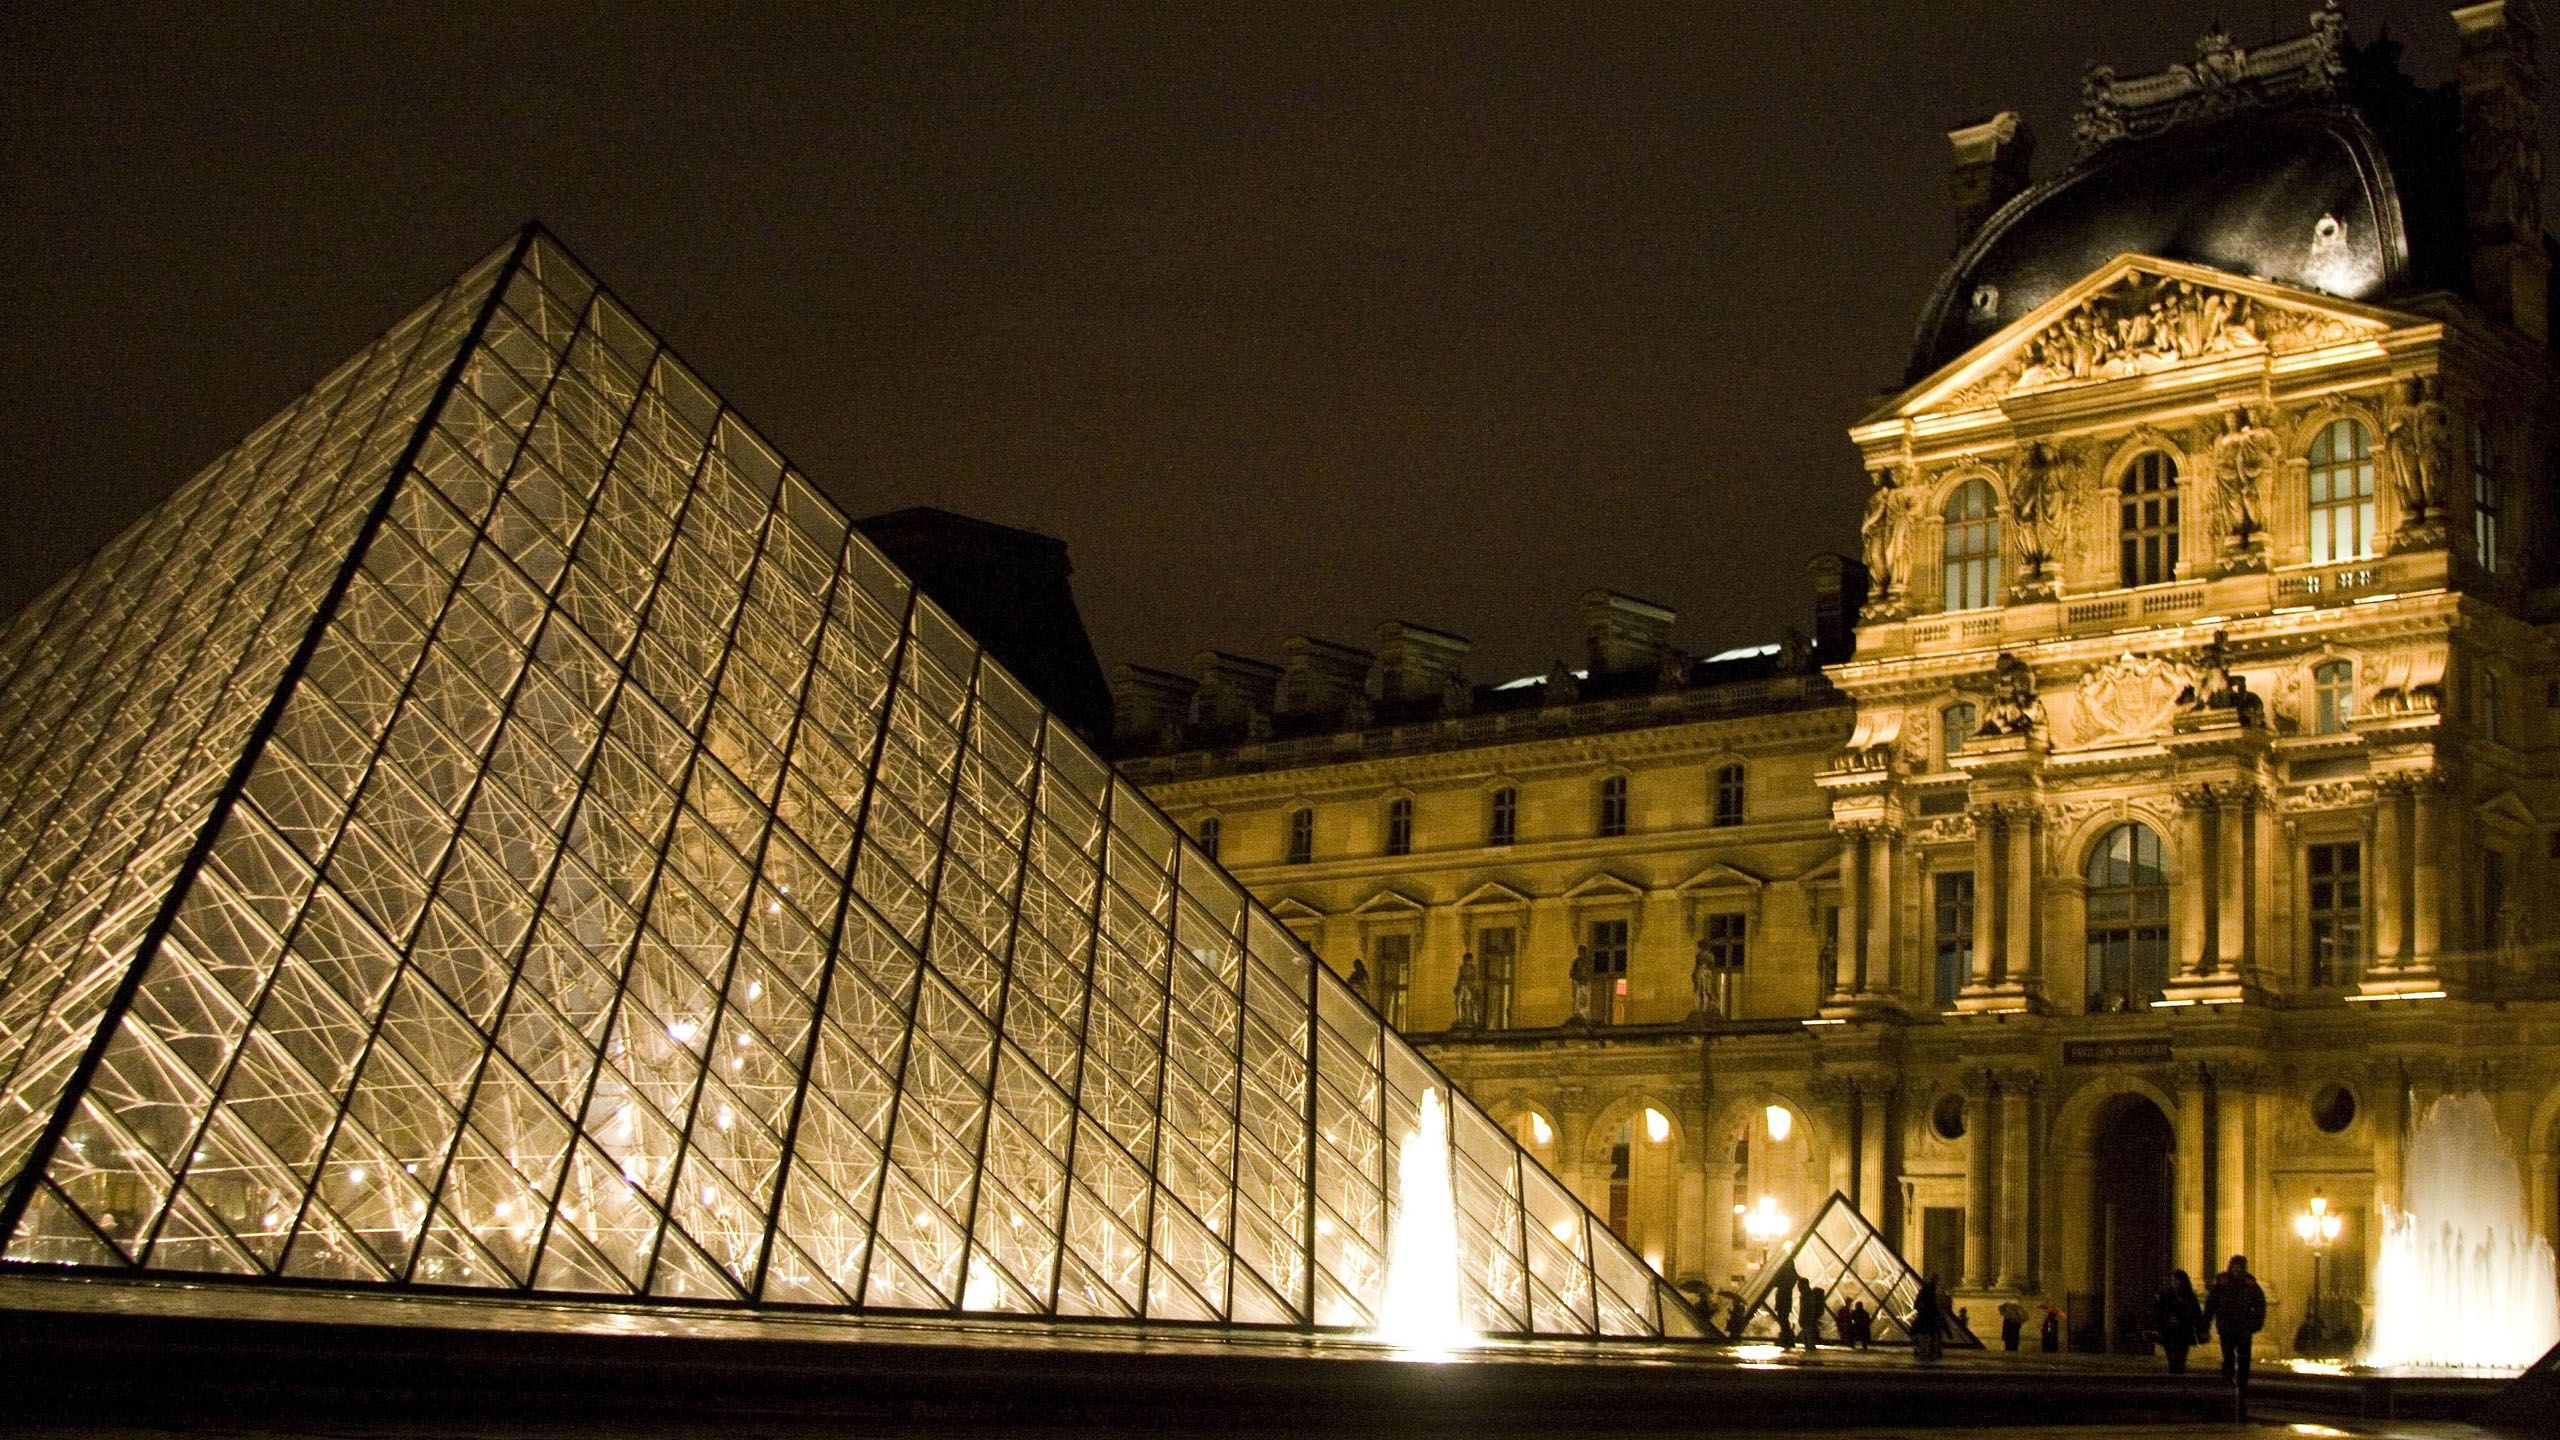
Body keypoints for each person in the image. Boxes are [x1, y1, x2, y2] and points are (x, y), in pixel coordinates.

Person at [2203, 1254, 2267, 1418]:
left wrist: (2254, 1324)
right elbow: (2211, 1304)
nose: (2236, 1269)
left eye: (2239, 1266)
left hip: (2244, 1329)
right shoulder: (2223, 1283)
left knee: (2244, 1360)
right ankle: (2228, 1389)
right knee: (2229, 1359)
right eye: (2234, 1266)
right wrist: (2206, 1324)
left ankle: (2241, 1390)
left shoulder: (2250, 1284)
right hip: (2227, 1328)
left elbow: (2260, 1305)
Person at [2154, 1270, 2204, 1374]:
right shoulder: (2166, 1295)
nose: (2173, 1282)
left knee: (2180, 1357)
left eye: (2176, 1280)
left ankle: (2177, 1376)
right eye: (2172, 1280)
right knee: (2171, 1357)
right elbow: (2159, 1312)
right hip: (2169, 1331)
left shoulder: (2189, 1296)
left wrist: (2199, 1329)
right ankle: (2174, 1375)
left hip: (2183, 1332)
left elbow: (2196, 1314)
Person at [1911, 1275, 1946, 1362]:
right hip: (1928, 1317)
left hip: (1924, 1317)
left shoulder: (1925, 1291)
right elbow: (1933, 1305)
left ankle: (1922, 1351)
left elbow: (1916, 1304)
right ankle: (1929, 1351)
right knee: (1931, 1335)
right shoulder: (1931, 1292)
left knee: (1923, 1335)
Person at [1798, 1280, 1825, 1351]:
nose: (1798, 1287)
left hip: (1807, 1318)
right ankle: (1810, 1348)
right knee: (1808, 1335)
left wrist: (1802, 1318)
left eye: (1799, 1285)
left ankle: (1810, 1348)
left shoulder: (1806, 1294)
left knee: (1807, 1335)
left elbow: (1805, 1308)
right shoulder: (1809, 1294)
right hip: (1809, 1318)